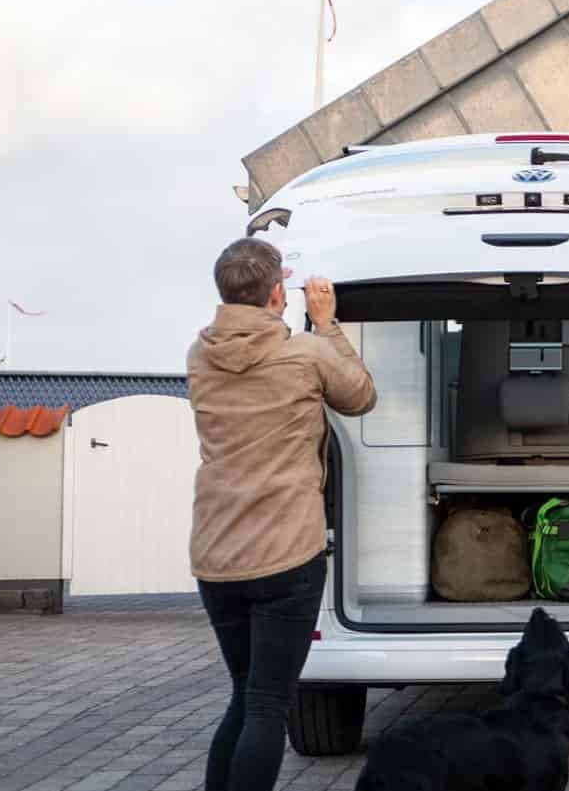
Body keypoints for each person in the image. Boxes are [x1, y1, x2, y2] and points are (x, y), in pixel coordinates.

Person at [187, 239, 377, 791]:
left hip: (216, 556)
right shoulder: (306, 352)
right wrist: (327, 323)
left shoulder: (198, 355)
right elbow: (361, 396)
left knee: (244, 695)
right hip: (285, 556)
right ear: (277, 292)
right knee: (268, 705)